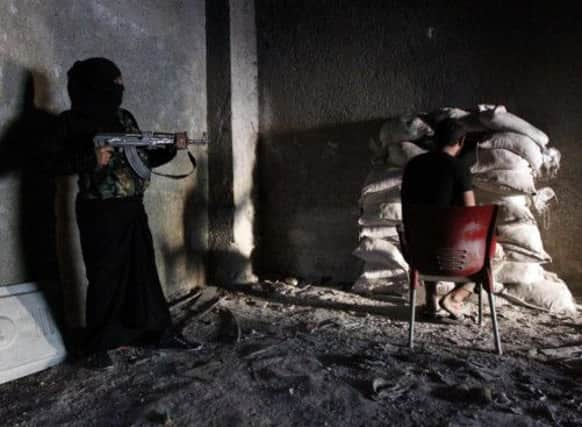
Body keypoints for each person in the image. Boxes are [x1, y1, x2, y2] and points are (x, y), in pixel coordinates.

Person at [47, 57, 198, 368]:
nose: (121, 88)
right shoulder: (71, 122)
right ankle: (95, 346)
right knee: (104, 279)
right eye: (115, 83)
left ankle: (157, 333)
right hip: (98, 211)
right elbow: (46, 162)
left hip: (132, 207)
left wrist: (172, 147)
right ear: (96, 84)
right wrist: (88, 160)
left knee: (143, 274)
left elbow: (141, 159)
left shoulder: (124, 117)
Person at [400, 119, 476, 319]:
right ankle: (456, 297)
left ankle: (431, 301)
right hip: (453, 256)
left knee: (429, 234)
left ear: (434, 140)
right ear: (461, 141)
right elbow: (472, 214)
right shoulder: (459, 168)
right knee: (495, 254)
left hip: (419, 252)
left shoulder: (412, 166)